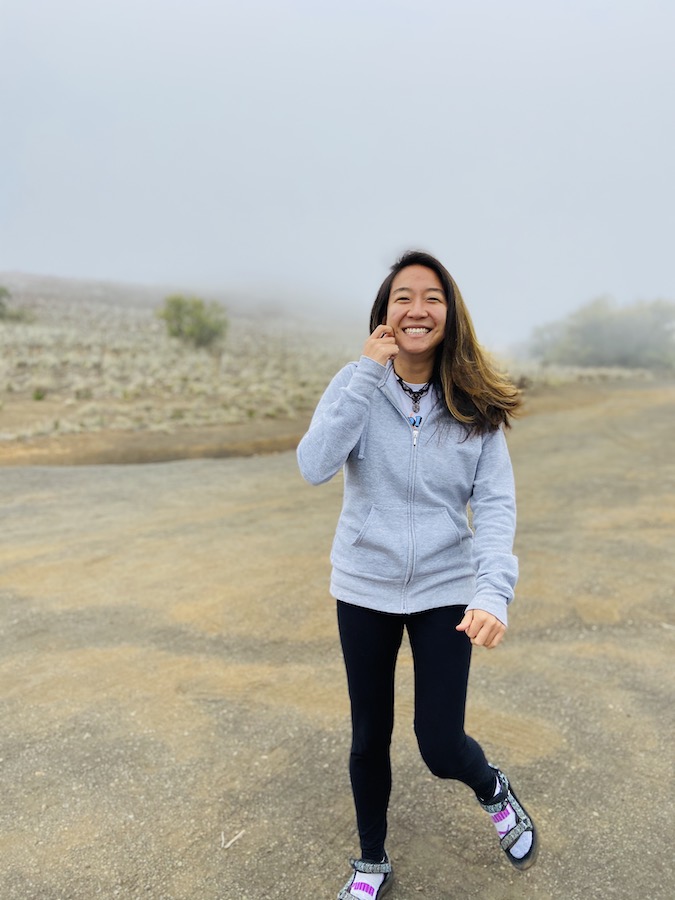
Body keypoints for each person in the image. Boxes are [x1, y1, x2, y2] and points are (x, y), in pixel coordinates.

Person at [297, 250, 538, 899]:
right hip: (364, 586)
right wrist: (364, 376)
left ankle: (492, 789)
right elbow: (314, 463)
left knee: (437, 743)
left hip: (444, 588)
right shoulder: (356, 383)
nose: (416, 308)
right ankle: (371, 860)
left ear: (448, 313)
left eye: (430, 296)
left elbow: (493, 505)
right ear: (383, 316)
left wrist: (493, 591)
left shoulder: (473, 404)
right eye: (402, 296)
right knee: (368, 733)